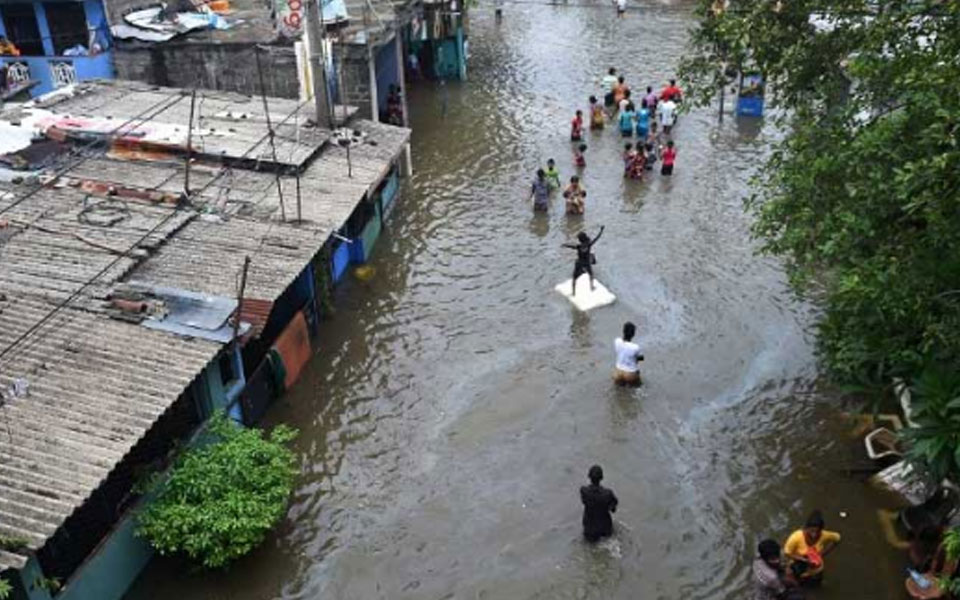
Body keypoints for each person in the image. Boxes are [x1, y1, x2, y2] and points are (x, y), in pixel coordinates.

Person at [784, 510, 841, 585]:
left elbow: (837, 538)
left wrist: (823, 554)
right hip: (799, 569)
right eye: (811, 531)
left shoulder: (825, 535)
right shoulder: (796, 537)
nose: (814, 535)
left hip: (817, 570)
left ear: (821, 530)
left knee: (817, 584)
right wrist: (804, 559)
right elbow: (787, 553)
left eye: (817, 532)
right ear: (806, 528)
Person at [581, 465, 618, 542]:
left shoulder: (584, 491)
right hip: (605, 528)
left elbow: (584, 501)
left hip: (590, 530)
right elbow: (613, 509)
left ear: (589, 477)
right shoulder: (608, 493)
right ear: (601, 478)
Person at [564, 225, 603, 295]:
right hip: (587, 262)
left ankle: (573, 292)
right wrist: (601, 230)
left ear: (580, 240)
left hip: (579, 262)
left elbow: (571, 246)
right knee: (591, 274)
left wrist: (565, 245)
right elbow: (597, 238)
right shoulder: (589, 244)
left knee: (574, 277)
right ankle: (591, 287)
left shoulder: (579, 246)